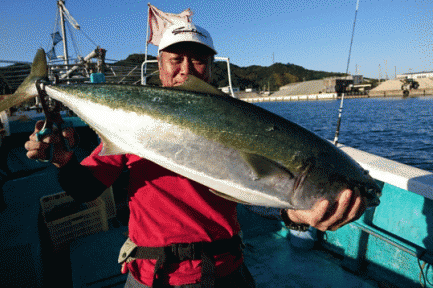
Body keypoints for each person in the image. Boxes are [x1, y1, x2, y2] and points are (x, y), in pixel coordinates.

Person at [25, 23, 367, 288]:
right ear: (160, 67)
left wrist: (296, 217)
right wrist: (62, 160)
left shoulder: (244, 123)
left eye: (198, 60)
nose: (186, 70)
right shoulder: (133, 124)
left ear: (211, 68)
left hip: (223, 273)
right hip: (151, 277)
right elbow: (84, 189)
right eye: (175, 60)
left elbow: (259, 197)